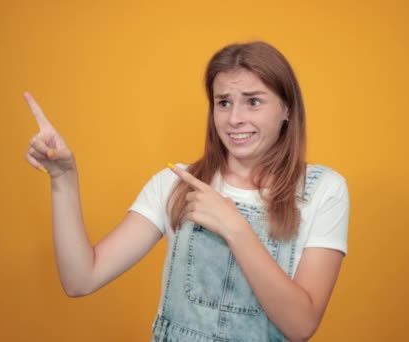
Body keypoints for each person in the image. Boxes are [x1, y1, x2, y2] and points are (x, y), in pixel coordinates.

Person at [24, 41, 349, 342]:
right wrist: (63, 180)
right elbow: (81, 279)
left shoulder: (323, 191)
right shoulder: (176, 183)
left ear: (287, 109)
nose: (235, 119)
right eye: (224, 102)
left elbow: (302, 325)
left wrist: (233, 226)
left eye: (253, 101)